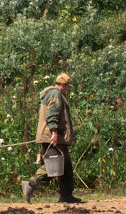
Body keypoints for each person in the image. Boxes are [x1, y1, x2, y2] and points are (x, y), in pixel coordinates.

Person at [22, 73, 83, 203]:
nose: (68, 89)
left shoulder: (56, 94)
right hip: (52, 136)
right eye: (68, 86)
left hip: (58, 136)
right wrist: (54, 133)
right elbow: (52, 115)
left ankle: (66, 196)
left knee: (65, 167)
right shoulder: (55, 94)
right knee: (54, 166)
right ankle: (30, 184)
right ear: (63, 84)